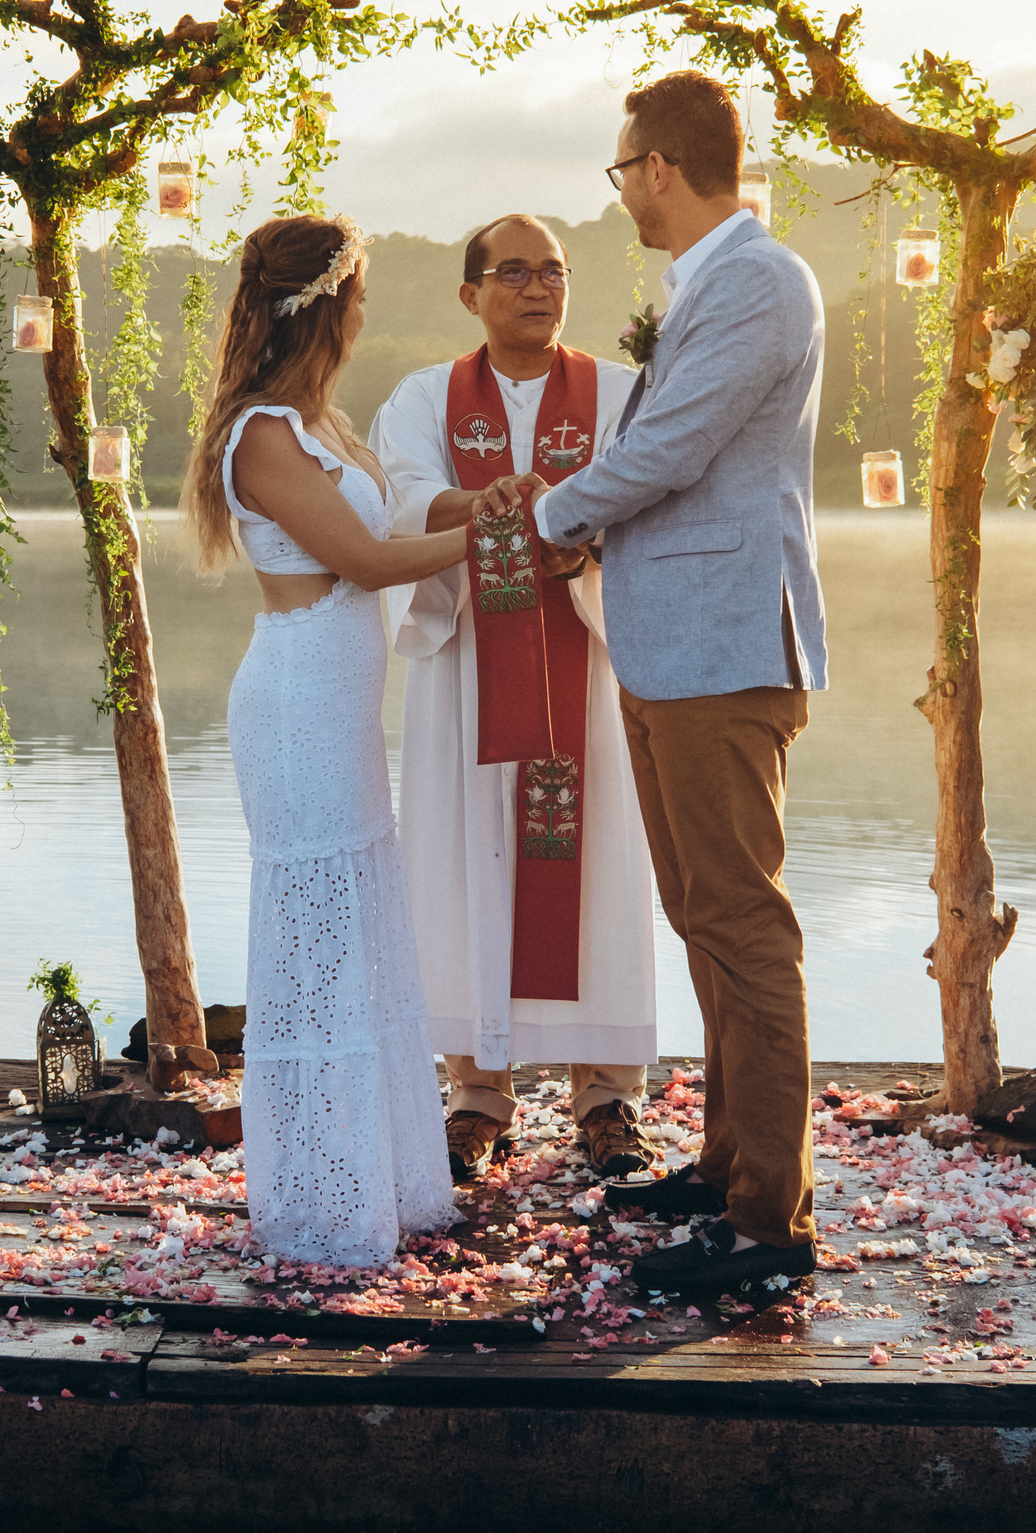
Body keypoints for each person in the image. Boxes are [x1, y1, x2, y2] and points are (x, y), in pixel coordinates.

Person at [526, 72, 828, 1295]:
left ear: (658, 165)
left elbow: (671, 448)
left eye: (620, 171)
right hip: (667, 643)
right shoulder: (702, 283)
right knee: (702, 917)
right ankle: (723, 1168)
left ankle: (768, 1227)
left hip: (721, 647)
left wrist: (552, 512)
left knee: (745, 926)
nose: (621, 196)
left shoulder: (759, 279)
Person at [180, 213, 524, 1268]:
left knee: (360, 929)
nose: (368, 309)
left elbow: (394, 538)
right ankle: (320, 1201)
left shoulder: (322, 424)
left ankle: (380, 1178)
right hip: (294, 705)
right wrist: (507, 527)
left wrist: (484, 513)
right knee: (316, 944)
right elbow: (366, 562)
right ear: (328, 304)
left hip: (341, 709)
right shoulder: (262, 436)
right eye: (361, 291)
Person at [369, 213, 659, 1184]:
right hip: (467, 670)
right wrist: (479, 503)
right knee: (467, 863)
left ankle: (608, 1095)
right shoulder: (422, 397)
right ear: (470, 293)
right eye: (513, 271)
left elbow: (654, 502)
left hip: (584, 657)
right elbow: (401, 495)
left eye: (553, 270)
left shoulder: (619, 394)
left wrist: (592, 539)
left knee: (599, 864)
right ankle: (476, 1096)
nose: (537, 287)